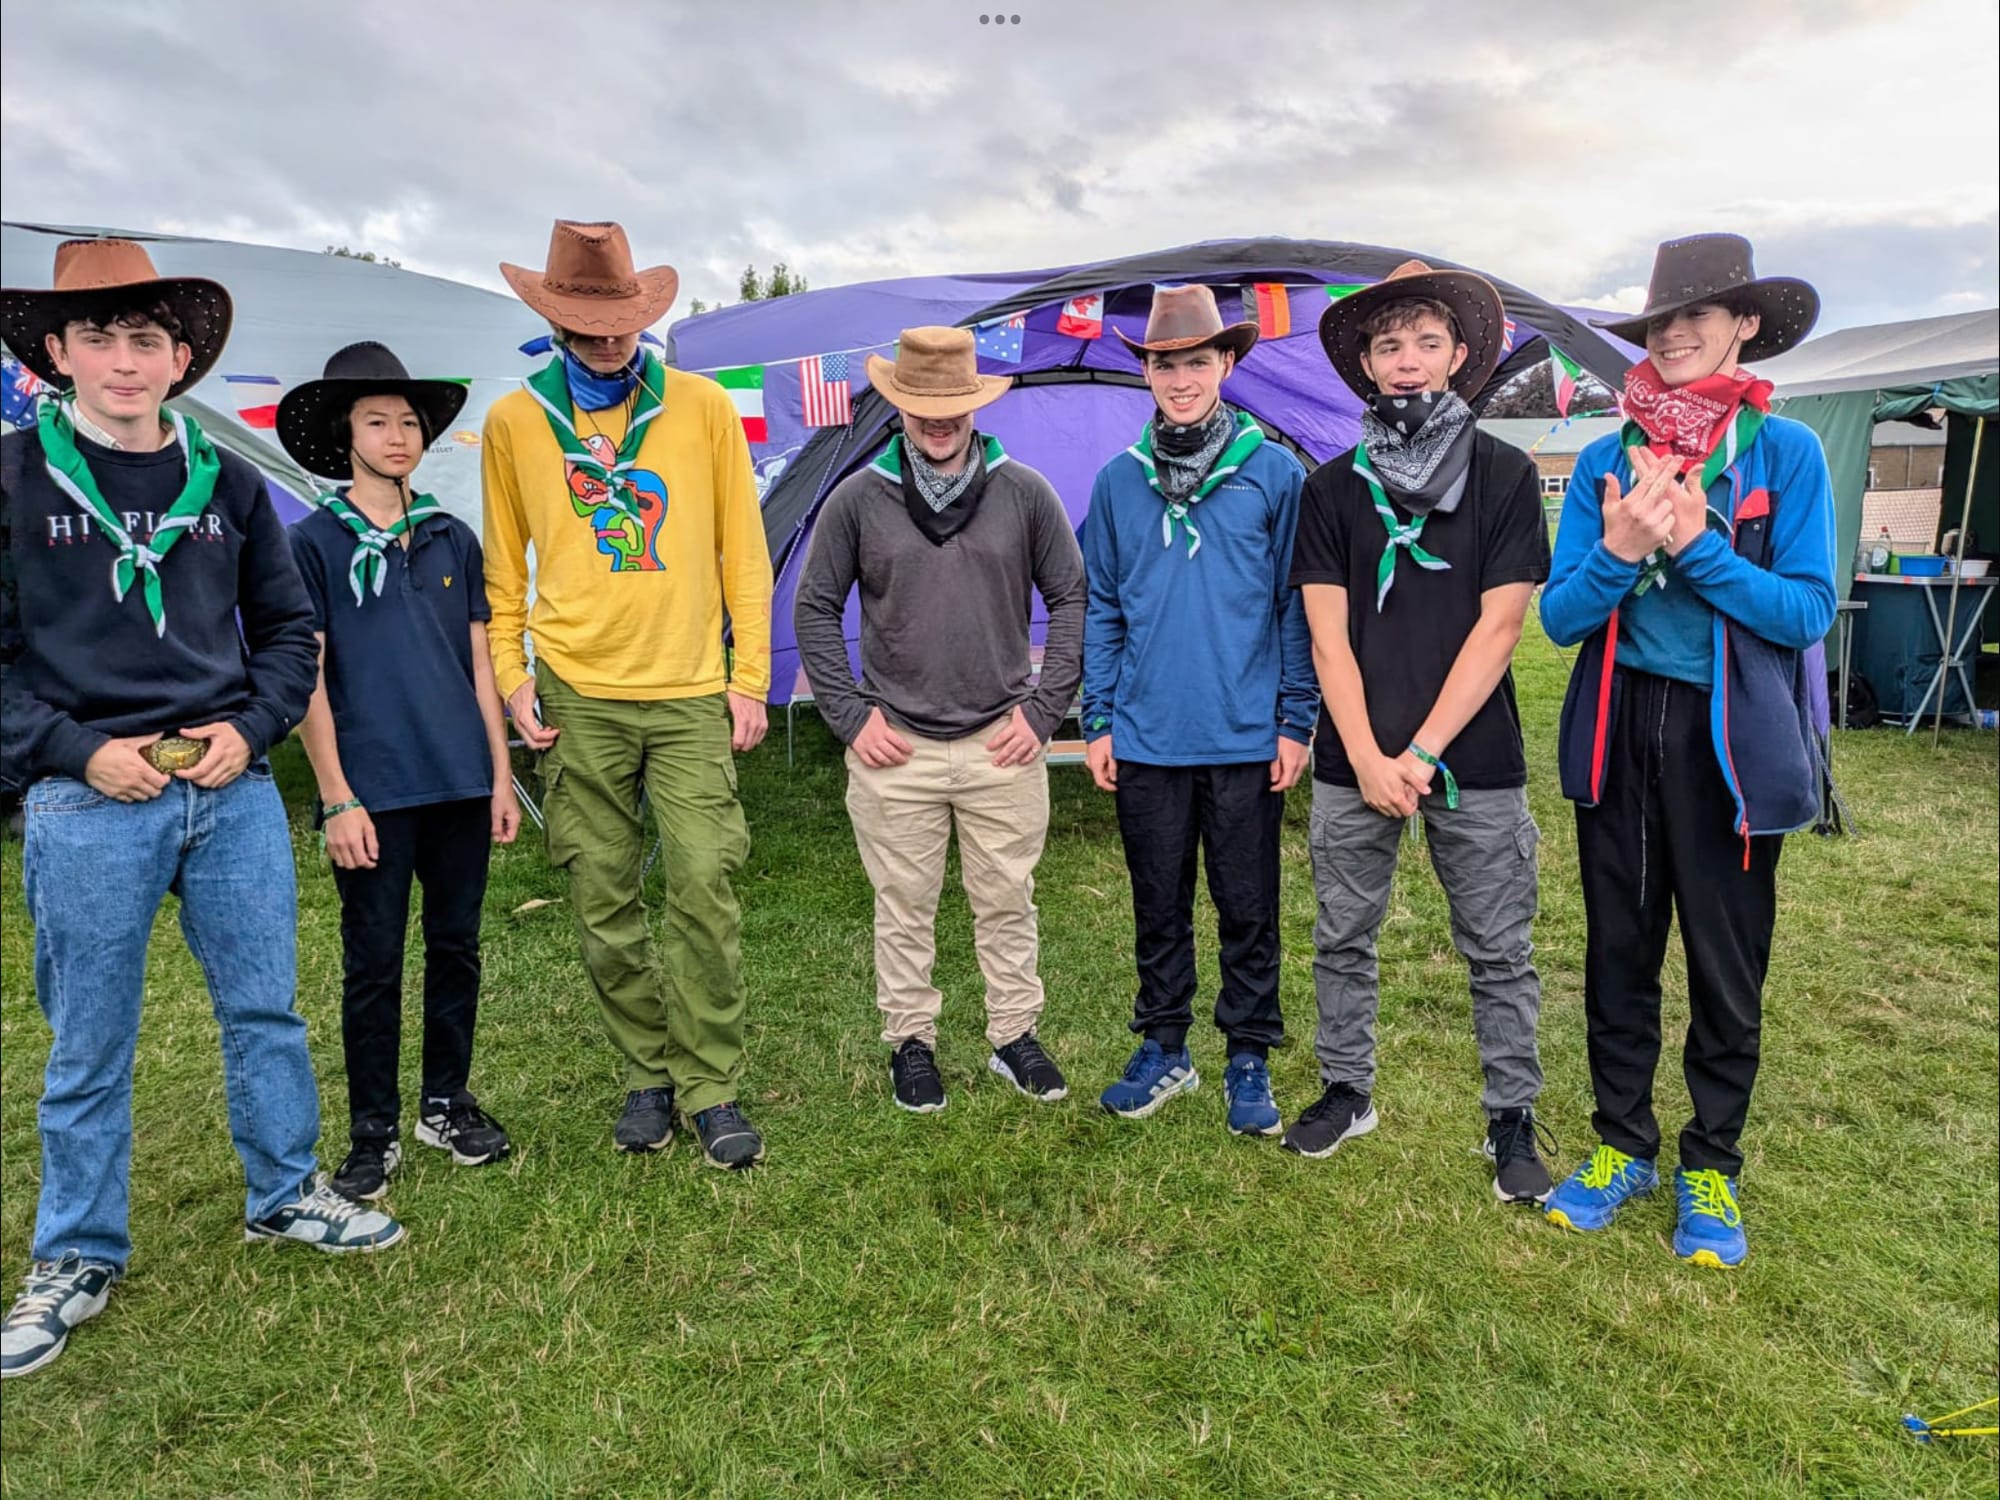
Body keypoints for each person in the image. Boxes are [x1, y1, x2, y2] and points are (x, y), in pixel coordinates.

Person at [0, 241, 405, 1379]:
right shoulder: (14, 477)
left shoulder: (225, 481)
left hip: (227, 791)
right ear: (56, 353)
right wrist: (81, 753)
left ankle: (285, 1191)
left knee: (264, 1010)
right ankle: (75, 1254)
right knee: (90, 1040)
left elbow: (288, 632)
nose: (124, 362)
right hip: (89, 799)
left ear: (180, 359)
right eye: (99, 340)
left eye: (146, 341)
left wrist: (249, 729)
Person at [1538, 233, 1835, 1268]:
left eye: (1696, 315)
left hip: (1732, 746)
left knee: (1724, 962)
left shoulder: (1784, 453)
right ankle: (1621, 1144)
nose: (1671, 335)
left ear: (1744, 324)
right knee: (1618, 952)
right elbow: (1560, 618)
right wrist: (1620, 550)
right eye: (1660, 320)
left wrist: (1695, 548)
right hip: (1619, 730)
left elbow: (1805, 612)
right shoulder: (1602, 459)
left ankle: (1711, 1163)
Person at [482, 220, 773, 1169]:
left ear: (643, 319)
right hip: (577, 692)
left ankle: (711, 1084)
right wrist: (514, 680)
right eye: (587, 327)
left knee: (704, 884)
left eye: (621, 326)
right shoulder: (515, 421)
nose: (608, 342)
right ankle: (650, 1073)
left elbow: (745, 551)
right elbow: (502, 571)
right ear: (555, 323)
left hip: (689, 688)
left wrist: (750, 678)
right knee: (601, 898)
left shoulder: (701, 406)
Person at [1285, 262, 1555, 1202]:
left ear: (1458, 355)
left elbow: (1501, 626)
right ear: (1366, 363)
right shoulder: (1331, 489)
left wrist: (1423, 753)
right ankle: (1346, 1088)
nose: (1407, 361)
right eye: (1389, 345)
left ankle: (1510, 1115)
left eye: (1426, 342)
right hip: (1352, 756)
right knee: (1343, 935)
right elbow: (1327, 637)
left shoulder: (1506, 474)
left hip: (1472, 756)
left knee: (1498, 947)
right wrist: (1367, 756)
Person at [793, 327, 1085, 1113]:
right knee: (903, 905)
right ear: (899, 405)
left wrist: (1044, 709)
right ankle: (911, 1043)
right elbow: (814, 606)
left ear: (975, 403)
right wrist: (850, 716)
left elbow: (1071, 595)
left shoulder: (1024, 492)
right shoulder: (858, 498)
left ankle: (1014, 1034)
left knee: (1008, 900)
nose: (938, 419)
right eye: (922, 403)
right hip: (896, 747)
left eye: (952, 402)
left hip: (1002, 743)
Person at [279, 342, 521, 1202]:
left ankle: (446, 1102)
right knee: (374, 960)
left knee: (457, 946)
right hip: (373, 790)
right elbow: (305, 677)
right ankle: (372, 1130)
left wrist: (500, 776)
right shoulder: (311, 543)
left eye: (409, 422)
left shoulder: (452, 536)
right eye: (376, 421)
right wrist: (335, 796)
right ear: (344, 435)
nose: (396, 436)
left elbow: (481, 666)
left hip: (459, 781)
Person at [1080, 284, 1318, 1135]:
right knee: (1159, 902)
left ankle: (1248, 1052)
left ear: (1224, 364)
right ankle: (1165, 1044)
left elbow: (1295, 605)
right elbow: (1103, 605)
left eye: (1195, 362)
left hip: (1246, 733)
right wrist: (1098, 717)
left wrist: (1295, 719)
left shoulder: (1274, 473)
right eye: (1165, 365)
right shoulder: (1118, 482)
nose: (1181, 380)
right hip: (1147, 733)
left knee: (1248, 904)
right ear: (1146, 373)